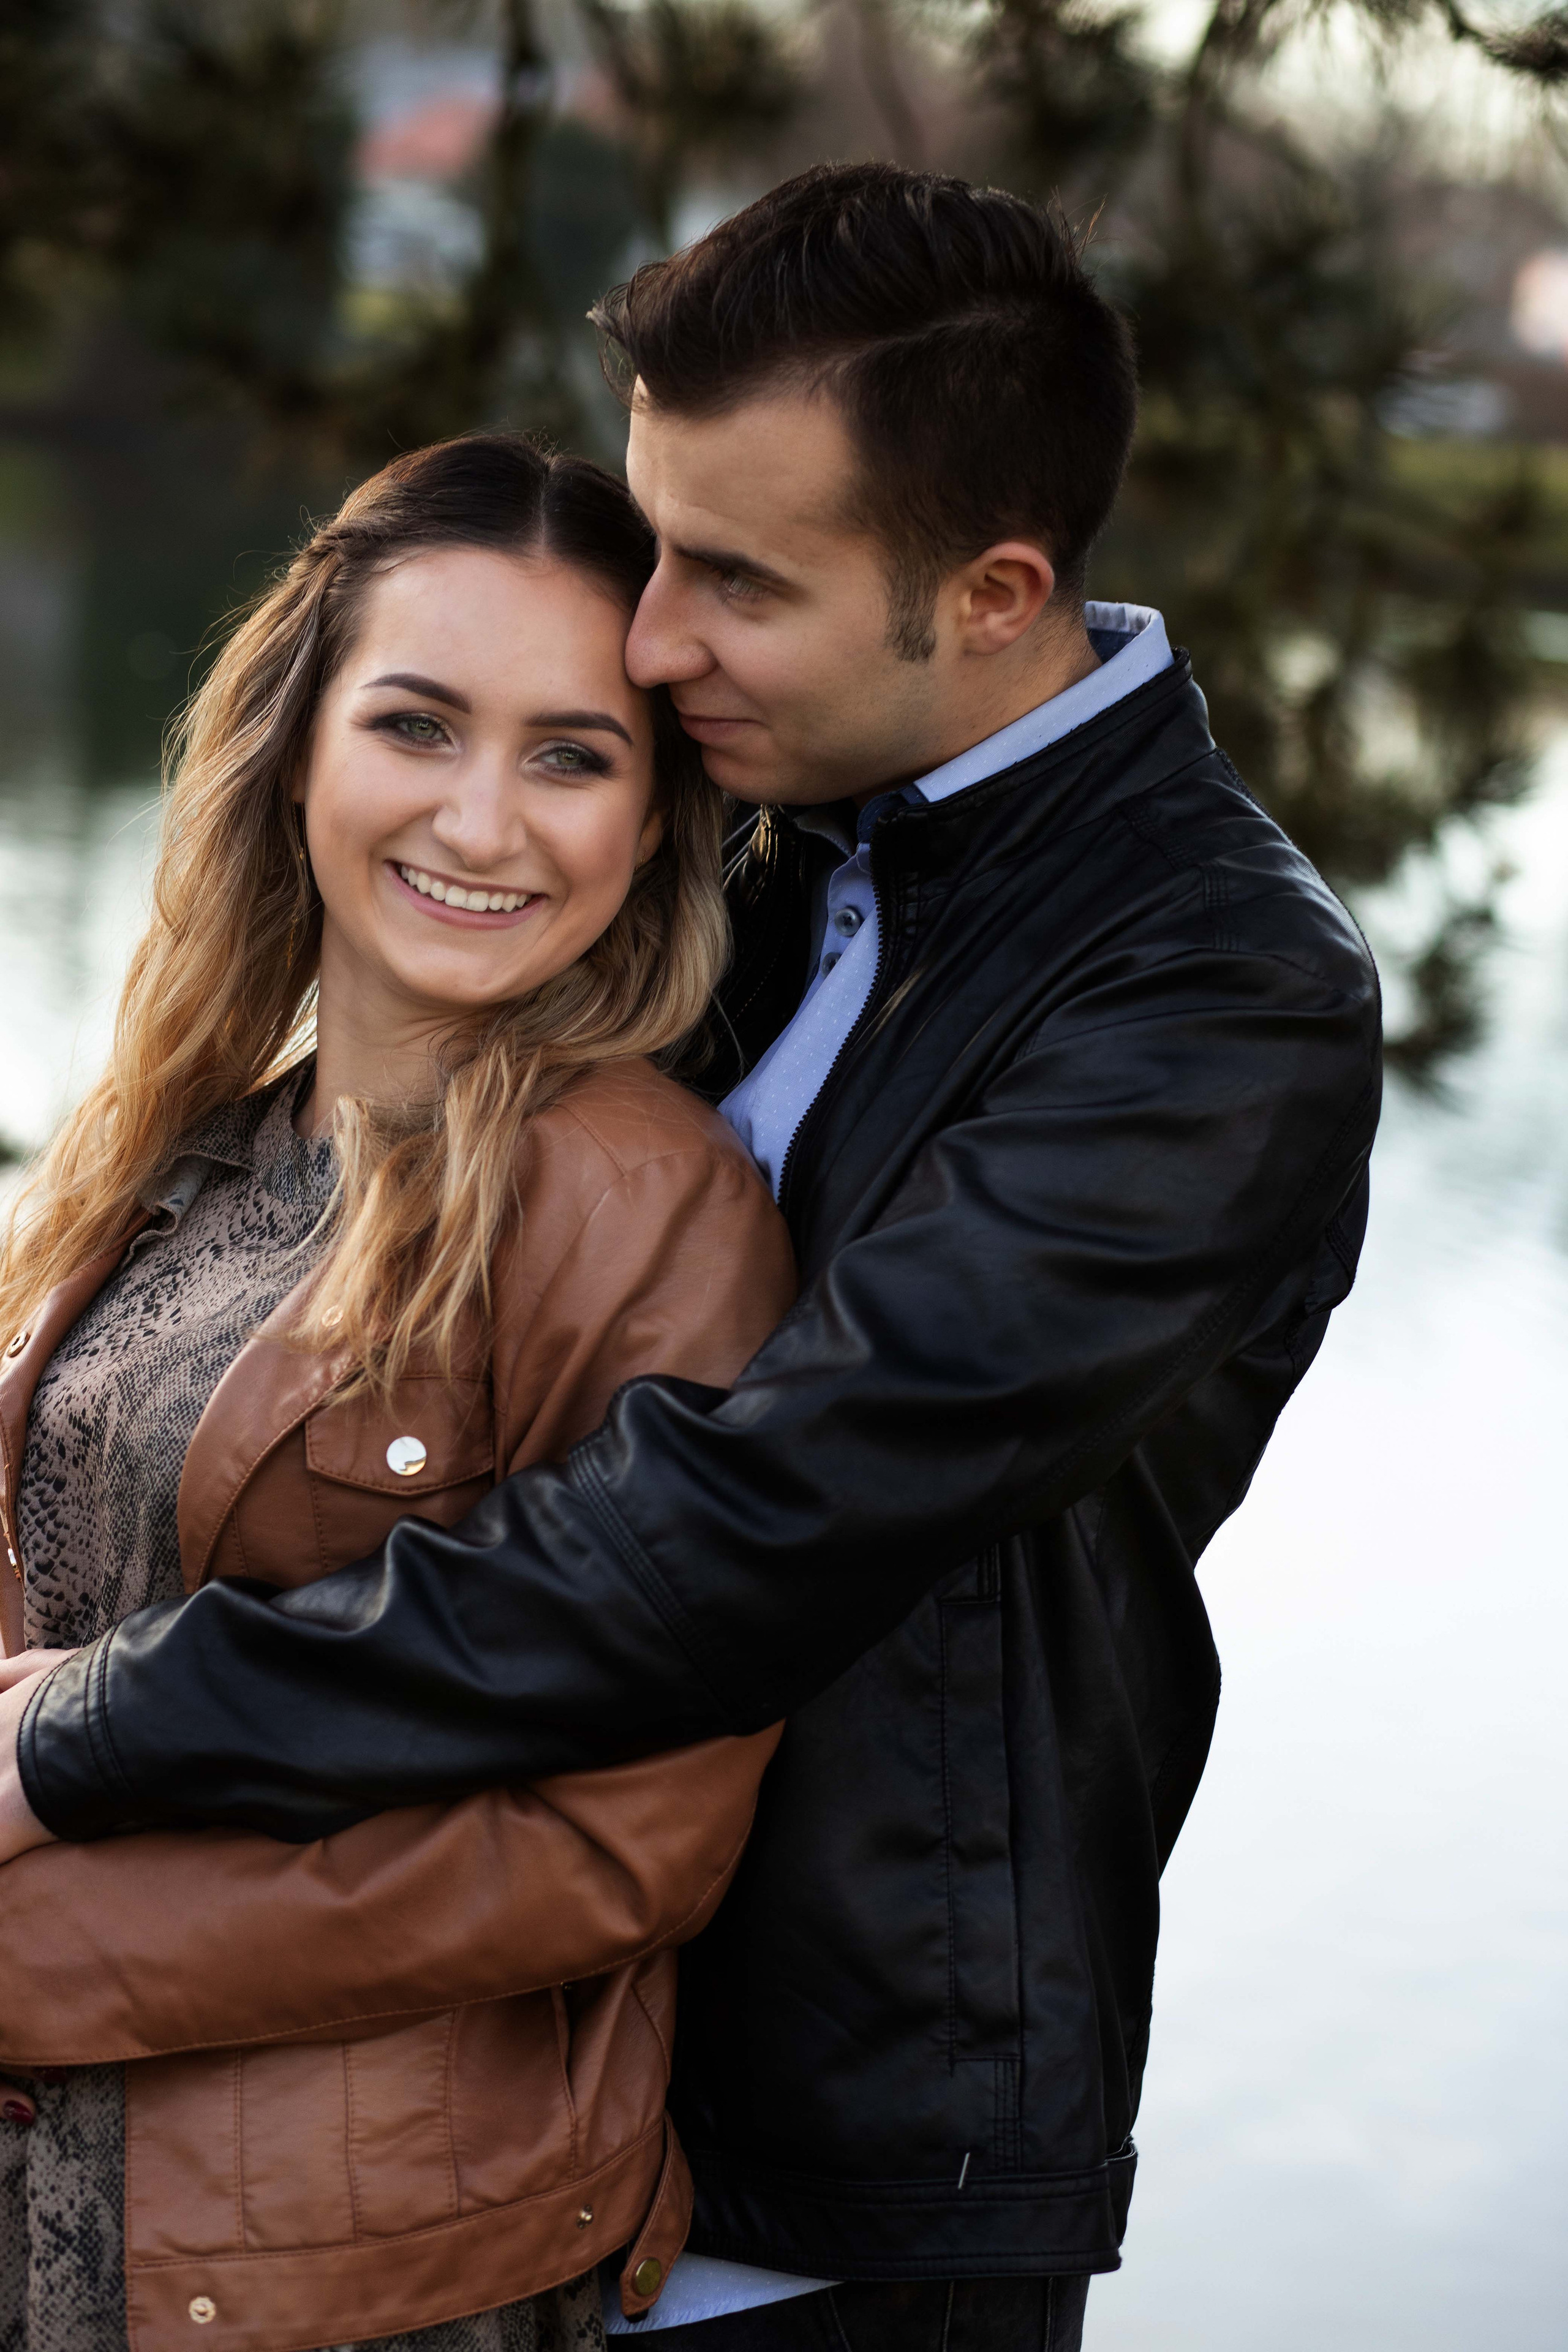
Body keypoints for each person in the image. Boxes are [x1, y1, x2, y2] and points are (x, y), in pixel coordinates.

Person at [0, 164, 1382, 2351]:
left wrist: (86, 1735)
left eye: (730, 580)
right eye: (658, 552)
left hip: (833, 2154)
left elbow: (747, 1520)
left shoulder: (1211, 1000)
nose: (649, 650)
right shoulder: (766, 824)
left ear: (997, 590)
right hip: (466, 2105)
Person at [0, 432, 796, 2351]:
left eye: (572, 755)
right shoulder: (192, 1139)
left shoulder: (636, 1204)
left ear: (649, 817)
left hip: (349, 2272)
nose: (486, 822)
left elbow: (625, 1841)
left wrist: (39, 1957)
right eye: (419, 726)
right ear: (298, 749)